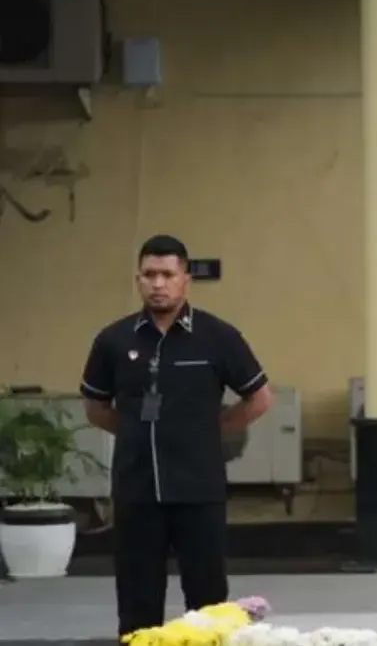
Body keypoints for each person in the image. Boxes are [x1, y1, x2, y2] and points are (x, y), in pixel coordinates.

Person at [79, 234, 275, 637]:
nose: (158, 283)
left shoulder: (218, 337)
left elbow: (260, 399)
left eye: (167, 274)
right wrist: (137, 431)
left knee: (207, 601)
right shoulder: (114, 341)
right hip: (136, 490)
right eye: (149, 274)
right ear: (137, 279)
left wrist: (210, 433)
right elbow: (96, 408)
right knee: (137, 599)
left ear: (186, 279)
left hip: (199, 490)